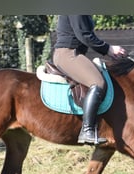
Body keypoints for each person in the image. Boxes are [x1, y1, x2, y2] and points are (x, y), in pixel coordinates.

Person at [53, 15, 126, 145]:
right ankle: (87, 131)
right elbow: (84, 35)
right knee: (98, 83)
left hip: (74, 53)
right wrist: (108, 49)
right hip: (68, 54)